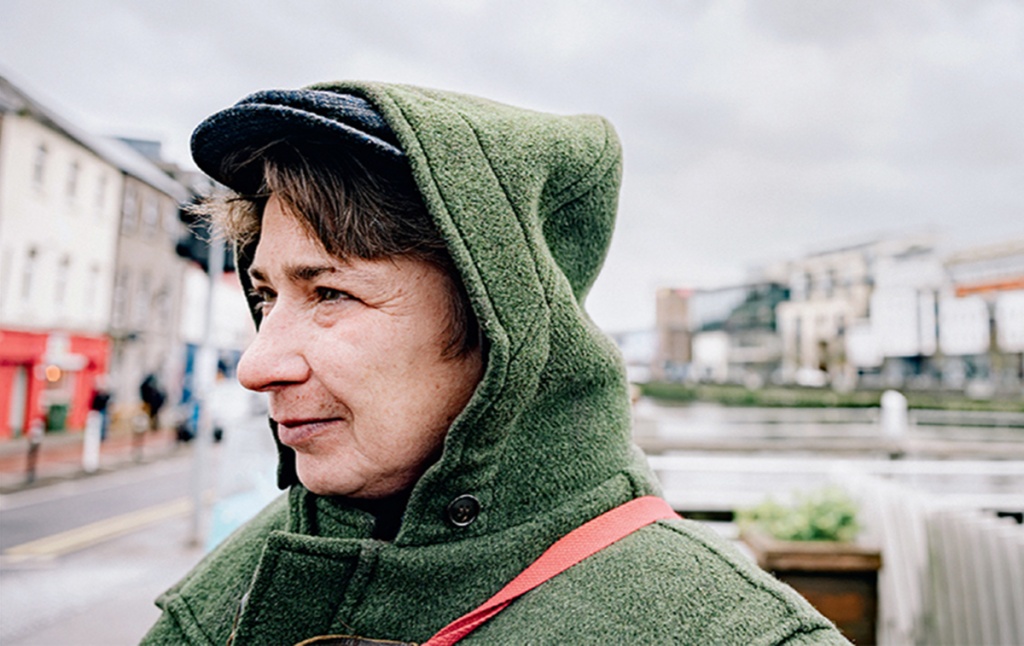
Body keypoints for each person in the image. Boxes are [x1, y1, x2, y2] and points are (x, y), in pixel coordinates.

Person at [142, 82, 849, 645]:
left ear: (499, 317)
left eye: (331, 293)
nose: (257, 365)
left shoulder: (735, 634)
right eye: (266, 296)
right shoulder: (235, 586)